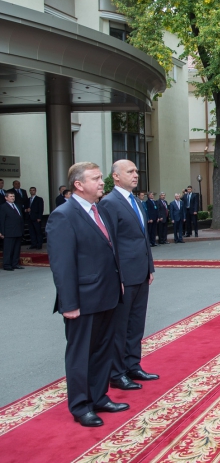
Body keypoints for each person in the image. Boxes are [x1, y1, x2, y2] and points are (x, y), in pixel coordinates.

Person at [45, 162, 128, 427]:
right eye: (95, 178)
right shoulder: (63, 215)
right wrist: (68, 303)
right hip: (82, 300)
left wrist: (120, 283)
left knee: (103, 349)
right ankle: (81, 406)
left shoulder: (100, 210)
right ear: (78, 185)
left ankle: (99, 396)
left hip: (107, 294)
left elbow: (110, 251)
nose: (101, 182)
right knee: (81, 354)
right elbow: (62, 265)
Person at [99, 160, 158, 391]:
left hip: (141, 273)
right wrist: (117, 276)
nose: (136, 175)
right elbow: (109, 243)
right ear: (115, 176)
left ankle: (133, 364)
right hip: (123, 275)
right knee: (119, 327)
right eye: (130, 171)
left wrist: (149, 267)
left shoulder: (136, 201)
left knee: (136, 324)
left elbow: (143, 238)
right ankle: (117, 372)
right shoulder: (109, 203)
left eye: (136, 171)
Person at [0, 192, 25, 270]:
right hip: (8, 232)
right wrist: (1, 232)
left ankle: (15, 263)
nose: (12, 197)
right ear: (6, 198)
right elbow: (1, 220)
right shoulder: (3, 207)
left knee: (16, 249)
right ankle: (7, 265)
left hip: (18, 230)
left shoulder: (17, 205)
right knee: (8, 249)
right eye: (10, 196)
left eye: (13, 196)